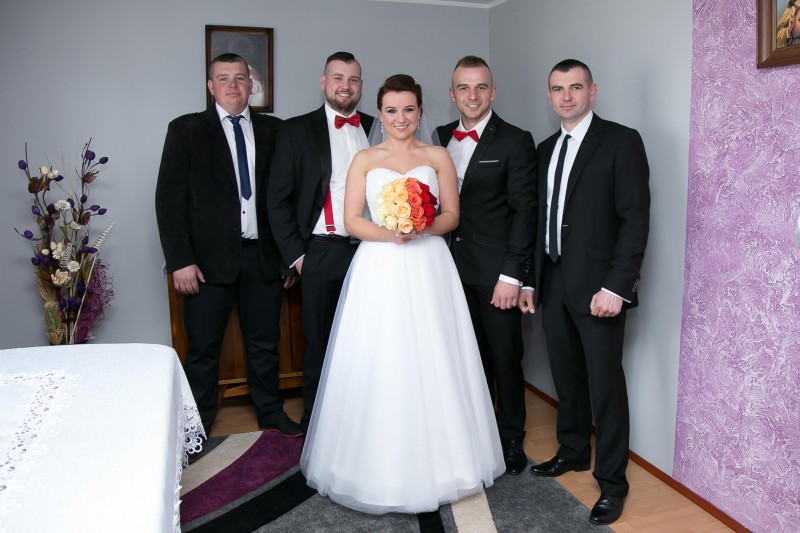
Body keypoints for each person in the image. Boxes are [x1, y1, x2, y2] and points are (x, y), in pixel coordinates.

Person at [300, 74, 505, 514]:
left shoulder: (437, 155)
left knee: (434, 352)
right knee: (382, 352)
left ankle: (446, 463)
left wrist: (421, 226)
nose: (401, 118)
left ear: (420, 111)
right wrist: (392, 233)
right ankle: (372, 466)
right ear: (381, 113)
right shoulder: (364, 159)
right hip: (379, 264)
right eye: (392, 110)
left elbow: (452, 214)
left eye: (409, 109)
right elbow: (352, 220)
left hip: (429, 262)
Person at [519, 59, 650, 525]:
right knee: (566, 376)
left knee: (605, 386)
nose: (567, 96)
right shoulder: (545, 149)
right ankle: (573, 450)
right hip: (553, 281)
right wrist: (530, 280)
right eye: (558, 89)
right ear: (549, 95)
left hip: (600, 286)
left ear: (592, 91)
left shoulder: (621, 141)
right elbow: (538, 221)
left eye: (576, 87)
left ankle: (612, 483)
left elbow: (635, 219)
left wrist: (618, 285)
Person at [155, 53, 302, 440]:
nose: (233, 85)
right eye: (223, 78)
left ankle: (271, 413)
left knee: (265, 344)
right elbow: (168, 201)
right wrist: (180, 261)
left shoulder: (275, 131)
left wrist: (289, 257)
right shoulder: (186, 130)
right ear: (210, 87)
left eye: (240, 78)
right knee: (203, 348)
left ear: (251, 85)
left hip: (263, 257)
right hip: (205, 263)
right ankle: (198, 427)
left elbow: (288, 198)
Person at [435, 56, 537, 475]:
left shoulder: (516, 140)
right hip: (447, 269)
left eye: (480, 87)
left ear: (493, 92)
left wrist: (513, 275)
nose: (472, 96)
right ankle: (474, 433)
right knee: (464, 355)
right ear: (452, 94)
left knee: (504, 356)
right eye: (464, 87)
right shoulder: (439, 137)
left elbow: (525, 212)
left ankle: (511, 437)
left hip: (497, 274)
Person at [268, 52, 374, 431]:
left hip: (372, 252)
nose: (346, 86)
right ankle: (317, 424)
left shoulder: (377, 127)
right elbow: (277, 199)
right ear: (323, 82)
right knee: (320, 343)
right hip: (322, 251)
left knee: (369, 339)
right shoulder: (295, 130)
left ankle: (363, 419)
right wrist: (298, 258)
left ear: (361, 86)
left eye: (353, 79)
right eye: (338, 78)